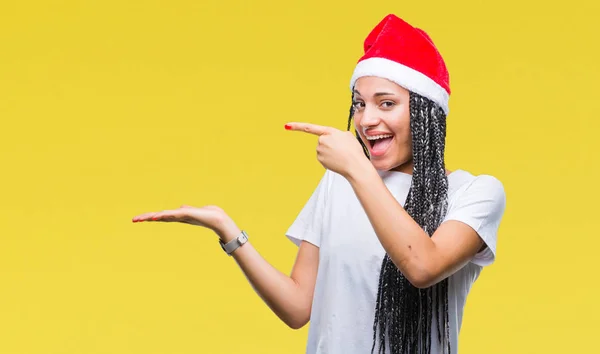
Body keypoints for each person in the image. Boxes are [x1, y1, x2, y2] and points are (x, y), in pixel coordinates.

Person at [132, 14, 506, 354]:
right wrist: (228, 231)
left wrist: (356, 169)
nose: (366, 119)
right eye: (359, 104)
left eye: (386, 103)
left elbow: (423, 266)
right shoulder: (339, 183)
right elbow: (297, 308)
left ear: (426, 113)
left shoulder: (474, 193)